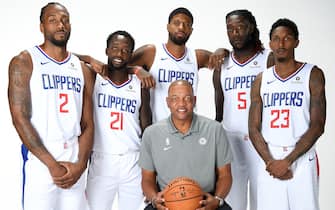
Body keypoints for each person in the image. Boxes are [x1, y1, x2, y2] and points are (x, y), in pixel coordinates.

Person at [7, 2, 95, 210]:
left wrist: (81, 164)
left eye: (64, 20)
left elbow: (88, 123)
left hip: (74, 157)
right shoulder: (25, 61)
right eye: (53, 20)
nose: (60, 25)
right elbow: (20, 117)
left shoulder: (83, 69)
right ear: (42, 26)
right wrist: (51, 165)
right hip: (41, 159)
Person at [248, 18, 326, 210]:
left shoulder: (312, 74)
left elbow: (318, 125)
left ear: (296, 42)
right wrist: (271, 163)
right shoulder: (261, 79)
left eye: (287, 38)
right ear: (270, 44)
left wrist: (288, 161)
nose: (281, 44)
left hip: (301, 158)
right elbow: (253, 128)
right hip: (270, 158)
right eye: (276, 39)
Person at [139, 80, 233, 210]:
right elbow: (147, 179)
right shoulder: (151, 133)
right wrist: (155, 200)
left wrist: (217, 200)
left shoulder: (214, 129)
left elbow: (225, 175)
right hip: (168, 201)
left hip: (205, 200)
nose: (181, 104)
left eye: (187, 98)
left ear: (194, 100)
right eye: (175, 99)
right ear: (167, 102)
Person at [212, 9, 273, 210]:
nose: (235, 33)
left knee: (262, 201)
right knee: (233, 202)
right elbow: (219, 108)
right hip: (231, 141)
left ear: (251, 28)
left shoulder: (268, 59)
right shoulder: (222, 63)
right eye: (230, 28)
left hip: (261, 140)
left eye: (240, 27)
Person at [85, 30, 152, 210]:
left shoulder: (140, 83)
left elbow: (147, 127)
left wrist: (151, 170)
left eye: (125, 50)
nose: (119, 54)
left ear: (131, 55)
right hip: (101, 158)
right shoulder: (94, 78)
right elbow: (65, 57)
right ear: (106, 50)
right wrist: (90, 59)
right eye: (115, 48)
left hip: (133, 161)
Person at [129, 7, 226, 123]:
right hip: (158, 128)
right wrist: (136, 70)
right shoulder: (151, 52)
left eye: (186, 24)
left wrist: (222, 50)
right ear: (168, 26)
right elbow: (117, 68)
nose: (181, 27)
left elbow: (230, 63)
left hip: (188, 129)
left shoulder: (197, 56)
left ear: (191, 30)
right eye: (177, 23)